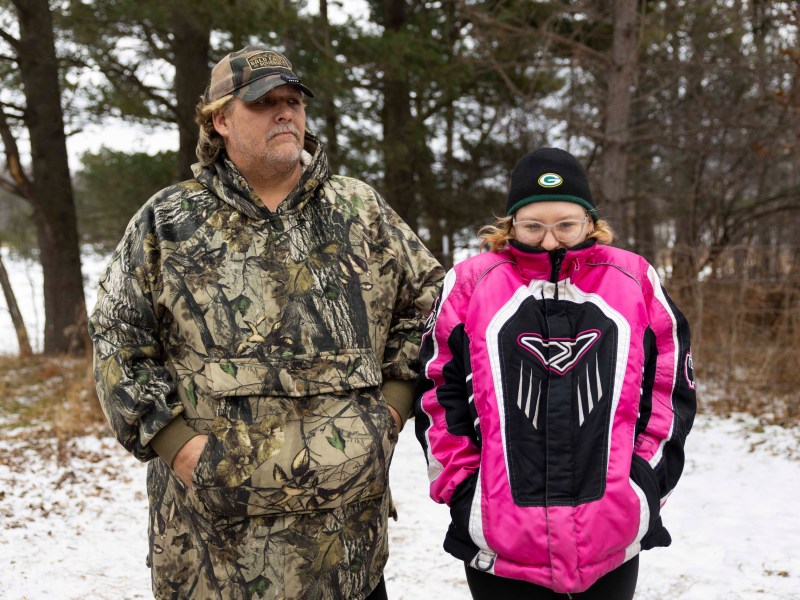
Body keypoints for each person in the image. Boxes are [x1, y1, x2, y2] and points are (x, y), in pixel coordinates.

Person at [89, 45, 444, 600]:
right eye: (263, 103)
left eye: (293, 101)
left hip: (345, 551)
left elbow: (429, 307)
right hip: (214, 556)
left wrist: (392, 409)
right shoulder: (169, 221)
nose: (284, 113)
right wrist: (177, 445)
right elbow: (118, 336)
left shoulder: (359, 211)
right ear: (220, 120)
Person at [414, 147, 696, 599]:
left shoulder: (633, 279)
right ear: (511, 224)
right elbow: (436, 393)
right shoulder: (469, 283)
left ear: (589, 221)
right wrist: (465, 489)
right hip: (501, 541)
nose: (550, 242)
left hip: (610, 534)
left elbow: (669, 385)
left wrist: (644, 480)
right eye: (533, 226)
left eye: (565, 225)